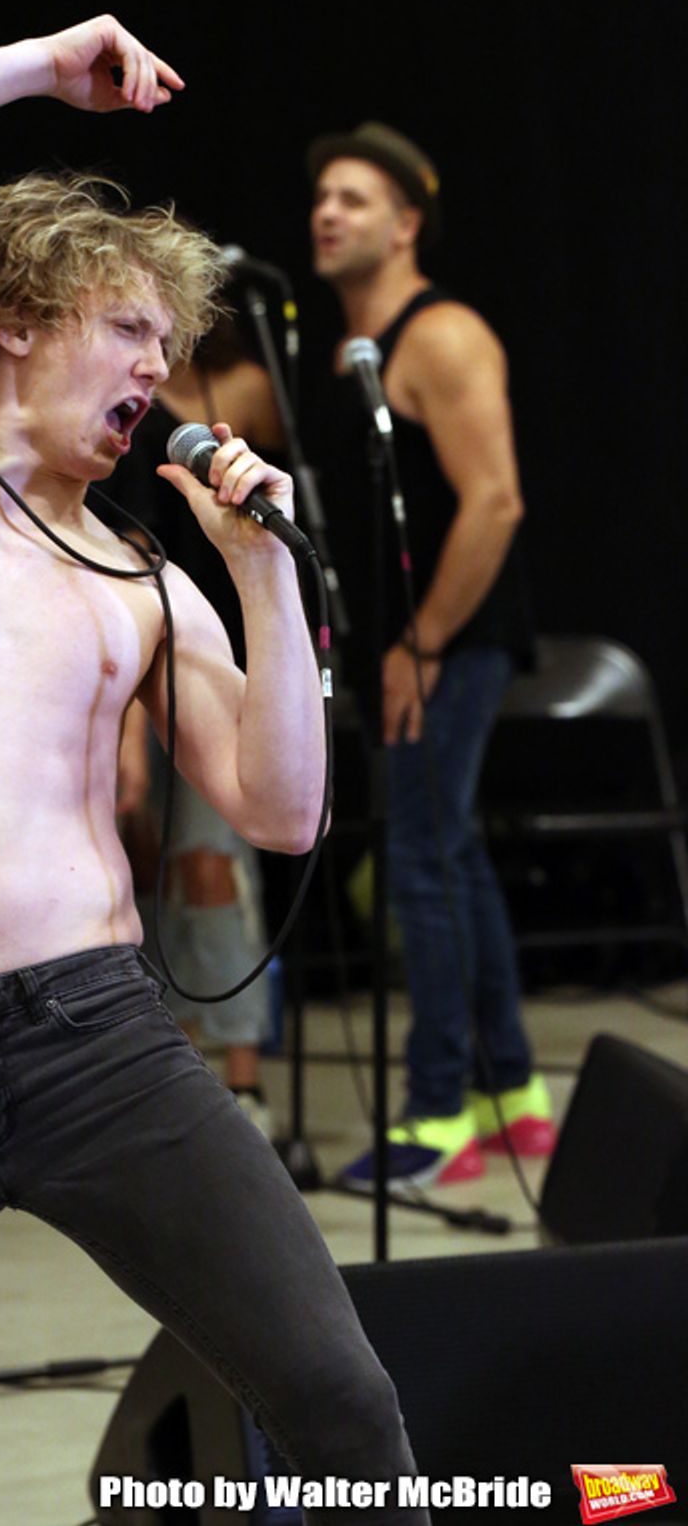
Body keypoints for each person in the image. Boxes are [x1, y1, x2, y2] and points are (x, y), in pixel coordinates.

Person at [0, 18, 429, 1526]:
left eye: (167, 342)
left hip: (92, 1034)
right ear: (20, 317)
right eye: (130, 327)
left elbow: (282, 810)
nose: (160, 366)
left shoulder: (141, 570)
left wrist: (263, 577)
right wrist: (39, 67)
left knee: (340, 1396)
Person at [307, 121, 555, 1190]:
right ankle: (514, 1095)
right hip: (406, 641)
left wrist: (425, 639)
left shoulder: (441, 333)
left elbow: (495, 499)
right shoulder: (344, 350)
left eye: (355, 199)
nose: (328, 212)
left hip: (450, 636)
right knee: (448, 851)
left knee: (416, 856)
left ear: (408, 223)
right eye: (321, 196)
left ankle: (438, 1109)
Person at [106, 306, 289, 1136]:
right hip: (122, 638)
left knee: (212, 864)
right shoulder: (105, 394)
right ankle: (175, 1074)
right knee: (135, 865)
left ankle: (243, 1076)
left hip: (203, 645)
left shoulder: (233, 387)